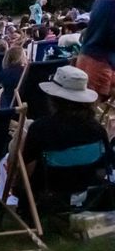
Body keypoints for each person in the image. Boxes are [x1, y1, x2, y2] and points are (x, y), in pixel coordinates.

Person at [22, 66, 110, 198]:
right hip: (89, 198)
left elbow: (26, 172)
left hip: (46, 198)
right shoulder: (97, 130)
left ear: (53, 99)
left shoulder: (41, 129)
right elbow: (103, 169)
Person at [77, 0, 115, 99]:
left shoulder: (103, 0)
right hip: (99, 66)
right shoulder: (112, 3)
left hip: (87, 60)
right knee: (92, 107)